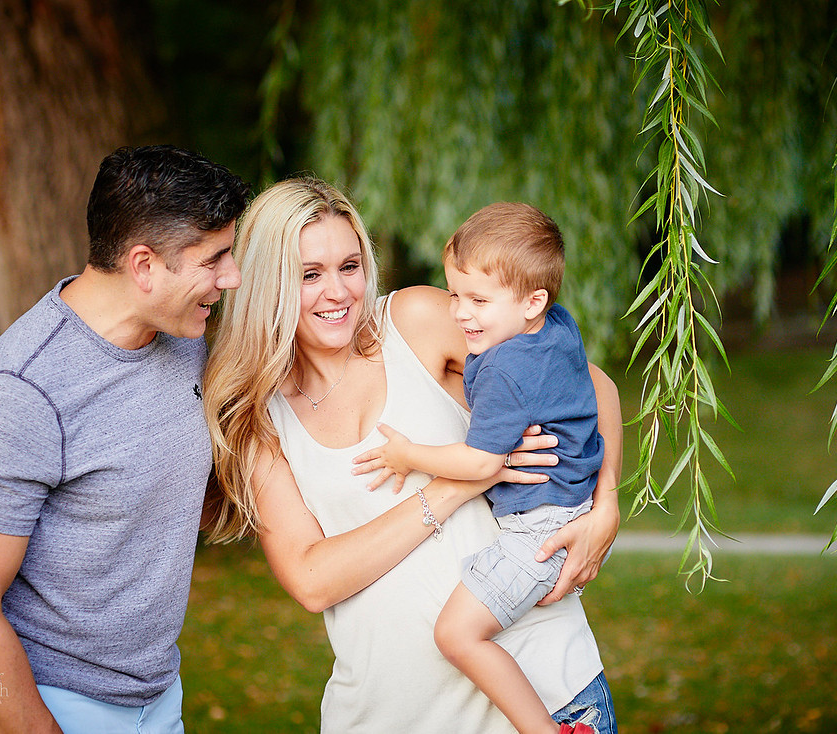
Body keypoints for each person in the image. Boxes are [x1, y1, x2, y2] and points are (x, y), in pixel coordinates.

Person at [203, 176, 623, 733]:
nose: (337, 292)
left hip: (545, 691)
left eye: (349, 266)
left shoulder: (417, 322)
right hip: (391, 715)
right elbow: (311, 578)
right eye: (309, 275)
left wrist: (606, 505)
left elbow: (594, 391)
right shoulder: (258, 419)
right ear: (267, 284)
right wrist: (455, 486)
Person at [0, 145, 250, 734]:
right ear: (144, 265)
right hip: (42, 701)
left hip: (154, 693)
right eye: (215, 259)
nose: (231, 278)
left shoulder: (181, 341)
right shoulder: (18, 393)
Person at [351, 202, 603, 733]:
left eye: (478, 300)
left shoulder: (507, 370)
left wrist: (407, 455)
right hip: (567, 504)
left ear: (533, 301)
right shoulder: (553, 326)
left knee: (456, 635)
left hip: (539, 528)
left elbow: (481, 461)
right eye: (454, 295)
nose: (461, 314)